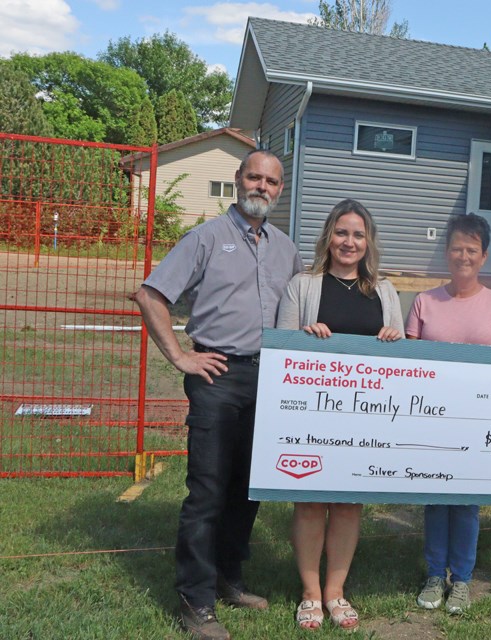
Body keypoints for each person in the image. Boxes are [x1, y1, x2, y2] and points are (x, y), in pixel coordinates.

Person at [132, 149, 303, 640]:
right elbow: (151, 295)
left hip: (268, 380)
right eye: (254, 177)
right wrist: (181, 358)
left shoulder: (285, 248)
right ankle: (195, 599)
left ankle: (229, 577)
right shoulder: (206, 237)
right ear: (237, 180)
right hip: (217, 376)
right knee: (207, 491)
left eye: (271, 181)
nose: (262, 187)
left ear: (280, 189)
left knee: (246, 490)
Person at [276, 199, 404, 631]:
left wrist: (392, 338)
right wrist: (304, 336)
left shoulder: (384, 292)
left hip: (363, 419)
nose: (349, 242)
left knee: (349, 504)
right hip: (312, 416)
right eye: (342, 232)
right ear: (328, 237)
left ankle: (336, 591)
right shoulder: (303, 286)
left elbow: (402, 362)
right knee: (311, 501)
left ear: (369, 244)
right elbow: (283, 350)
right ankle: (310, 593)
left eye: (358, 235)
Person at [405, 213, 491, 614]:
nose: (463, 255)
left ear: (484, 256)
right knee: (435, 498)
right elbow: (408, 364)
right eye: (456, 248)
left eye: (472, 249)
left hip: (478, 422)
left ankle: (463, 580)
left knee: (467, 501)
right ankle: (436, 574)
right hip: (432, 420)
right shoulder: (424, 301)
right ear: (446, 252)